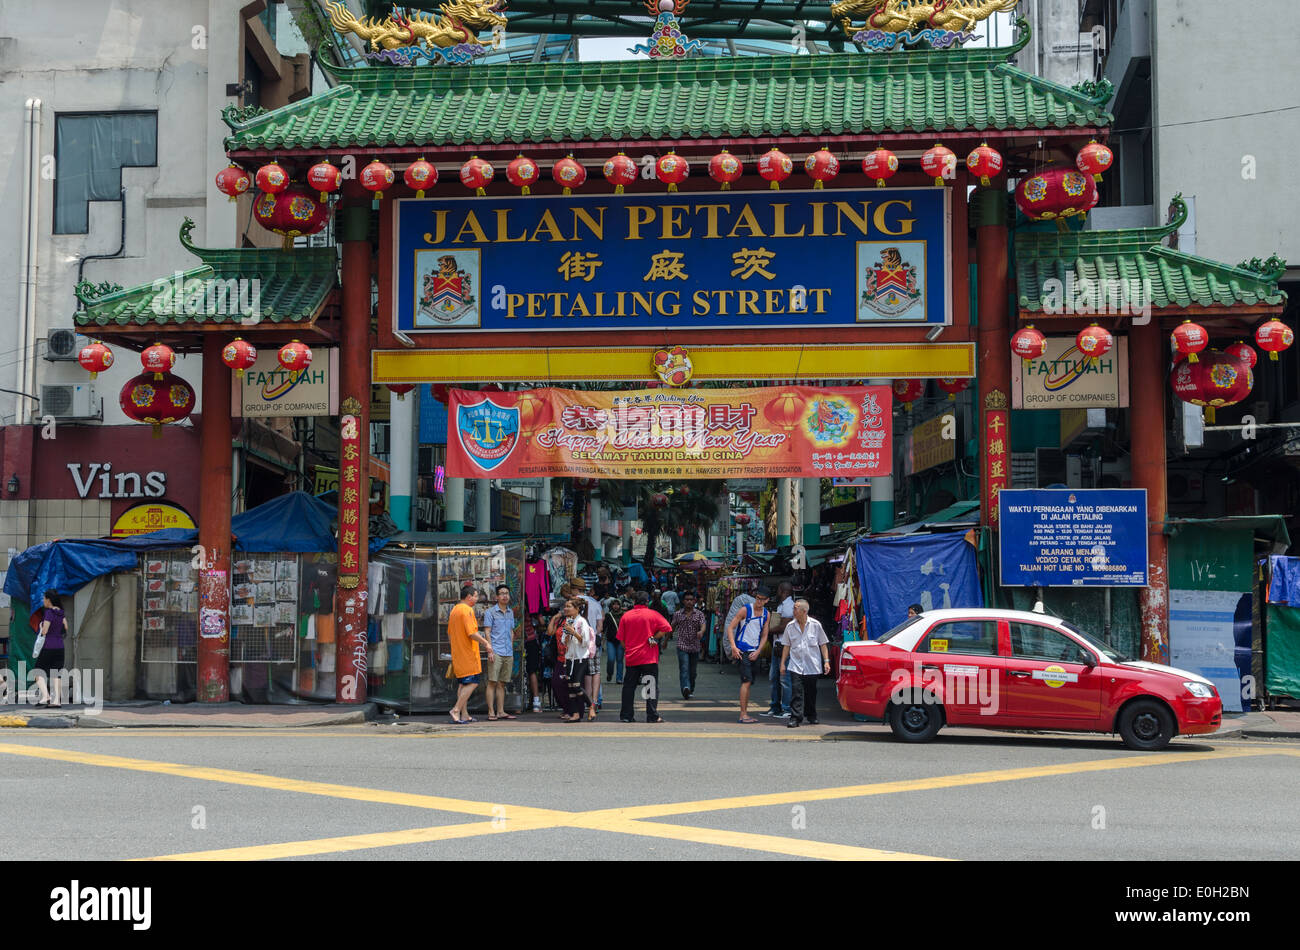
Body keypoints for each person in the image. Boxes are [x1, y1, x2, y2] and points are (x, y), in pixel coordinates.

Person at [617, 590, 671, 723]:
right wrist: (654, 637)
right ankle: (652, 715)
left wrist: (628, 648)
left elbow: (621, 639)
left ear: (634, 601)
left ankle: (626, 715)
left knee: (629, 687)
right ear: (647, 602)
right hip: (649, 657)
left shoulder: (626, 616)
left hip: (632, 657)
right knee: (650, 686)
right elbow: (667, 628)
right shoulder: (653, 614)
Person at [779, 599, 831, 728]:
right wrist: (782, 664)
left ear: (804, 611)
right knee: (796, 691)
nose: (793, 611)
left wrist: (826, 661)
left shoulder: (815, 625)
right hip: (795, 664)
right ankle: (795, 717)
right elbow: (786, 646)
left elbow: (823, 644)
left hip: (812, 665)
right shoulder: (790, 626)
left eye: (796, 608)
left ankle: (811, 715)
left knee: (811, 691)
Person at [724, 586, 771, 724]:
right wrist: (733, 647)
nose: (759, 602)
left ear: (767, 600)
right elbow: (730, 627)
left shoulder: (766, 614)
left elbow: (764, 635)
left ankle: (745, 713)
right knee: (746, 681)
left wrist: (758, 651)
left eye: (762, 600)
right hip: (742, 651)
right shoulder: (745, 609)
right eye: (757, 598)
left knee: (749, 682)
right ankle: (743, 714)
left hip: (754, 651)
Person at [448, 584, 494, 724]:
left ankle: (464, 714)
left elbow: (449, 634)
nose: (476, 599)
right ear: (469, 597)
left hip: (458, 652)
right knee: (473, 683)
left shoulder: (454, 610)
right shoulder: (467, 610)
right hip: (468, 653)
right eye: (475, 596)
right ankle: (456, 710)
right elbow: (472, 633)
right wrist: (486, 643)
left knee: (463, 684)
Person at [482, 584, 517, 721]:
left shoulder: (510, 612)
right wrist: (489, 649)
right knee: (492, 682)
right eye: (502, 593)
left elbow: (511, 631)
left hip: (508, 651)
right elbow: (487, 632)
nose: (505, 596)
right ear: (497, 597)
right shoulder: (490, 612)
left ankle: (501, 711)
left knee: (502, 683)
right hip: (495, 651)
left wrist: (511, 646)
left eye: (507, 593)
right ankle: (491, 712)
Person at [558, 598, 596, 723]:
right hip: (569, 658)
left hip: (580, 658)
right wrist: (568, 634)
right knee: (570, 687)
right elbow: (564, 641)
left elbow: (585, 642)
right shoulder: (568, 622)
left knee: (576, 685)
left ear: (577, 609)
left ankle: (591, 705)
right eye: (565, 606)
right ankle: (575, 714)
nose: (566, 608)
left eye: (569, 606)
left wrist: (574, 632)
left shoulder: (582, 622)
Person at [763, 581, 795, 719]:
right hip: (778, 645)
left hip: (784, 646)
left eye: (778, 589)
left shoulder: (788, 605)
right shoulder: (783, 604)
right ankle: (775, 706)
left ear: (783, 591)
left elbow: (784, 626)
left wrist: (768, 630)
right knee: (774, 677)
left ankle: (786, 708)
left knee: (784, 678)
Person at [32, 590, 67, 708]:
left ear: (48, 600)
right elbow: (65, 627)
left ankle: (46, 696)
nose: (43, 601)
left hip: (49, 646)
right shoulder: (61, 612)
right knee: (56, 674)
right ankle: (56, 701)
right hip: (60, 646)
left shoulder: (49, 613)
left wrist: (42, 626)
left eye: (44, 598)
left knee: (38, 670)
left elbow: (45, 631)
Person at [671, 591, 706, 698]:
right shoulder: (677, 614)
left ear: (694, 601)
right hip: (682, 645)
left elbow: (703, 625)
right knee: (684, 668)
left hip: (695, 646)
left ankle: (691, 688)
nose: (689, 602)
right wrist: (665, 640)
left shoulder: (699, 614)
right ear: (683, 601)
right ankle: (685, 687)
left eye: (691, 600)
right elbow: (671, 627)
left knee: (693, 672)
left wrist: (701, 632)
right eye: (687, 600)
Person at [603, 596, 627, 684]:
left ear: (620, 605)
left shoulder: (624, 615)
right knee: (611, 659)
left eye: (617, 604)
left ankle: (619, 678)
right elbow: (604, 628)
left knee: (620, 660)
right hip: (610, 641)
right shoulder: (608, 615)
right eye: (614, 604)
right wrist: (602, 640)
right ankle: (609, 673)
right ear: (611, 606)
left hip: (621, 641)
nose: (616, 606)